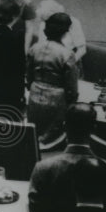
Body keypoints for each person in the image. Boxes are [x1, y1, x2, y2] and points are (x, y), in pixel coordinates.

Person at [26, 12, 79, 140]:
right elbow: (71, 87)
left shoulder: (34, 48)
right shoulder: (67, 54)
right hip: (56, 101)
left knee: (33, 133)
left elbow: (29, 75)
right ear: (65, 32)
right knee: (52, 138)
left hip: (34, 95)